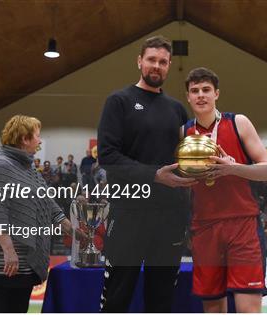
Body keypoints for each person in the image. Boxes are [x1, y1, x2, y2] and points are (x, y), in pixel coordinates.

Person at [97, 35, 195, 312]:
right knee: (116, 297)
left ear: (168, 66)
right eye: (151, 60)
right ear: (139, 61)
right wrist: (155, 175)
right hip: (129, 214)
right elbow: (108, 156)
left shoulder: (177, 109)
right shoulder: (119, 101)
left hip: (170, 219)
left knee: (161, 300)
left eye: (163, 62)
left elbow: (185, 160)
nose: (157, 66)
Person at [183, 67, 267, 312]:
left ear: (217, 94)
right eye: (195, 91)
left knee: (248, 308)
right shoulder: (183, 133)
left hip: (242, 225)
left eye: (206, 90)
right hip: (204, 227)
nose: (201, 95)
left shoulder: (238, 123)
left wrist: (233, 169)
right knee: (213, 308)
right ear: (188, 97)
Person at [0, 115, 77, 313]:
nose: (39, 141)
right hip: (1, 264)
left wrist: (67, 225)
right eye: (37, 136)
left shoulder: (29, 168)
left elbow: (46, 201)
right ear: (24, 139)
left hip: (23, 263)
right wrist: (8, 250)